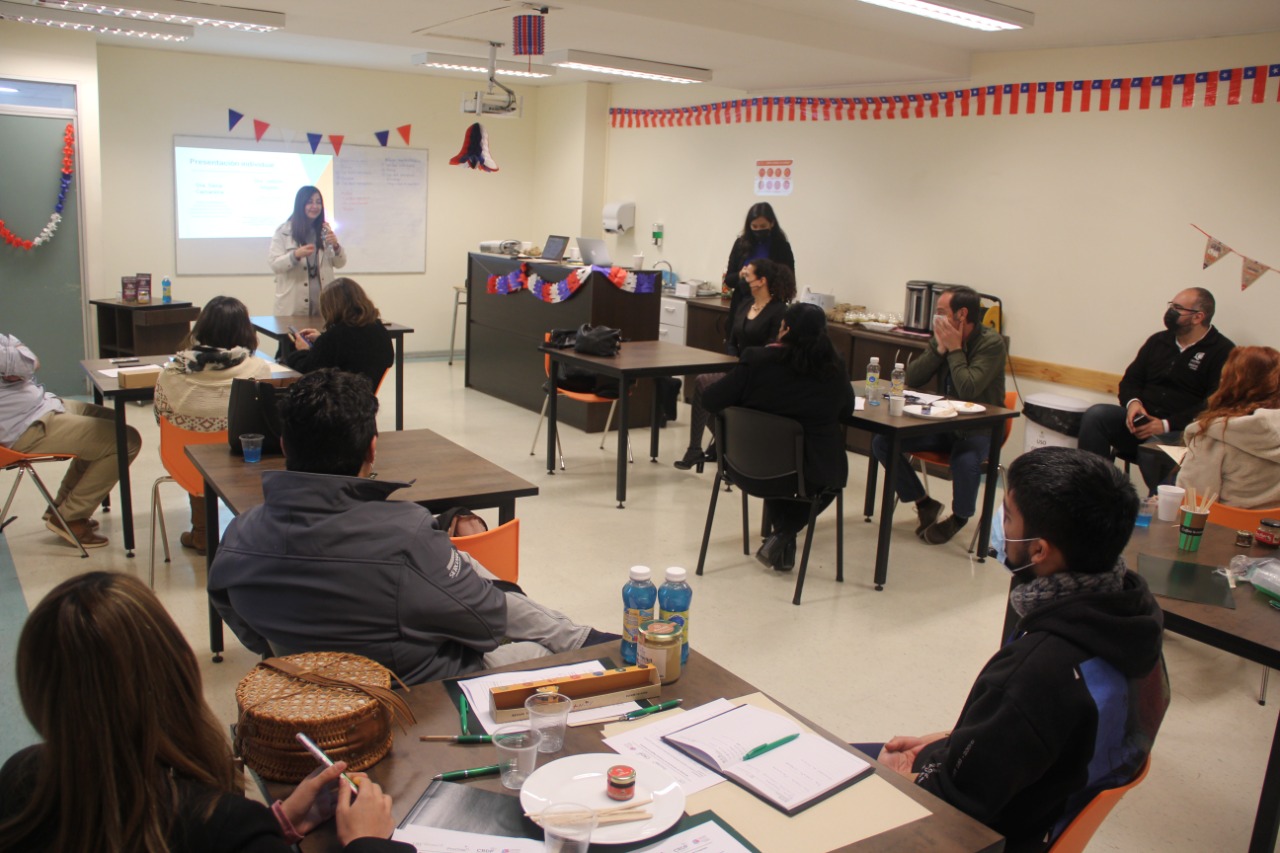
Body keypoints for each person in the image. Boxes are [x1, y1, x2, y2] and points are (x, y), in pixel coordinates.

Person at [209, 369, 613, 686]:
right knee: (539, 652)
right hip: (415, 696)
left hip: (311, 689)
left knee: (461, 567)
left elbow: (228, 605)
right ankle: (581, 641)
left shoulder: (239, 536)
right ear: (371, 448)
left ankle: (575, 635)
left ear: (284, 445)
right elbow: (486, 620)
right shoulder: (405, 534)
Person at [872, 447, 1169, 853]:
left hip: (984, 835)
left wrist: (896, 779)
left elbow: (949, 811)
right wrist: (953, 739)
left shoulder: (1035, 674)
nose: (1000, 522)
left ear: (1040, 550)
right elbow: (1033, 733)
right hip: (1041, 799)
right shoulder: (1133, 613)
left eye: (1008, 516)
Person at [0, 571, 408, 853]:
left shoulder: (20, 782)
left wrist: (277, 826)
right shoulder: (219, 825)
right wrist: (367, 842)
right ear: (176, 673)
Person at [702, 302, 855, 571]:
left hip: (745, 467)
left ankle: (782, 537)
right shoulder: (833, 369)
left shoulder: (757, 360)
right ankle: (784, 533)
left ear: (784, 329)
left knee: (778, 453)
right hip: (806, 475)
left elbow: (711, 399)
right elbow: (846, 411)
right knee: (829, 474)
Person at [871, 285, 1007, 545]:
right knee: (883, 442)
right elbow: (913, 377)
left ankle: (960, 517)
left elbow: (969, 388)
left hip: (979, 428)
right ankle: (924, 503)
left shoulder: (991, 344)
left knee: (965, 460)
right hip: (943, 422)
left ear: (962, 314)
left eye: (942, 312)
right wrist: (940, 350)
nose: (937, 318)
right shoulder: (943, 337)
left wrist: (955, 350)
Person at [1078, 287, 1234, 493]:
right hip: (1140, 422)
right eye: (1171, 305)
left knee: (1152, 449)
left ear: (1198, 317)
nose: (1171, 312)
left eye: (1178, 308)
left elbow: (1213, 403)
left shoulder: (1222, 351)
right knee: (1096, 415)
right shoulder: (1158, 341)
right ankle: (1093, 491)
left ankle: (1158, 509)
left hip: (1181, 432)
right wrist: (1133, 404)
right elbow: (1131, 380)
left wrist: (1165, 425)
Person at [154, 296, 273, 553]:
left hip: (183, 463)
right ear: (246, 331)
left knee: (197, 449)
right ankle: (250, 533)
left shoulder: (171, 373)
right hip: (241, 466)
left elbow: (159, 417)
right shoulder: (258, 370)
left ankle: (201, 532)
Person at [0, 334, 141, 549]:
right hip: (24, 427)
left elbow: (25, 360)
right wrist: (16, 355)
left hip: (43, 405)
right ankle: (70, 517)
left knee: (115, 420)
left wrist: (15, 355)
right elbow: (26, 364)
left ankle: (61, 507)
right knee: (125, 441)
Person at [675, 258, 796, 471]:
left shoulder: (778, 311)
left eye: (748, 276)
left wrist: (744, 363)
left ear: (761, 281)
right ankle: (713, 446)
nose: (744, 279)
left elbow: (772, 348)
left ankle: (713, 446)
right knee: (708, 390)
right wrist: (733, 362)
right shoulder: (746, 304)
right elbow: (732, 339)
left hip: (759, 373)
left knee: (704, 383)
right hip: (738, 368)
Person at [1175, 345, 1280, 508]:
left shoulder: (1214, 434)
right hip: (1272, 531)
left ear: (1231, 383)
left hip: (1223, 531)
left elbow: (1191, 503)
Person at [285, 277, 394, 391]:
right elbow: (351, 351)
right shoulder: (379, 329)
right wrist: (321, 340)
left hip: (335, 401)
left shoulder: (336, 336)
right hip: (365, 400)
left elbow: (307, 370)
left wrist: (302, 351)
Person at [268, 185, 347, 317]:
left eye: (318, 202)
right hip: (293, 306)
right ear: (300, 205)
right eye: (309, 202)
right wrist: (295, 255)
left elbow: (340, 263)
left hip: (323, 304)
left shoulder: (325, 231)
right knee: (293, 337)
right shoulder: (284, 231)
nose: (314, 206)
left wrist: (336, 246)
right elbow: (275, 264)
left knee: (323, 337)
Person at [722, 202, 796, 323]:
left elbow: (789, 281)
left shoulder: (782, 247)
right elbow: (729, 280)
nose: (758, 230)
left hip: (770, 307)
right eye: (754, 226)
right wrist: (740, 275)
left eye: (763, 226)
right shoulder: (740, 244)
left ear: (771, 223)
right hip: (741, 304)